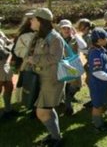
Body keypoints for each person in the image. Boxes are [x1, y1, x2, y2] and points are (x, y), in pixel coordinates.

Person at [24, 8, 64, 146]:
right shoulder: (38, 36)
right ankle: (55, 136)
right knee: (48, 110)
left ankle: (56, 138)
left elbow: (55, 57)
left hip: (51, 80)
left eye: (33, 18)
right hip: (40, 78)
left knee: (41, 112)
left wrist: (34, 59)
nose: (31, 21)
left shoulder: (55, 38)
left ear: (40, 21)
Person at [88, 28, 107, 132]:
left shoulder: (101, 49)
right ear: (99, 40)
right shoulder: (95, 53)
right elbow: (97, 72)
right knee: (97, 106)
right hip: (98, 84)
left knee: (101, 103)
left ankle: (101, 120)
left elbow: (106, 63)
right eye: (105, 38)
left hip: (104, 82)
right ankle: (98, 125)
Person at [58, 19, 87, 116]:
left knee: (77, 86)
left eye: (68, 28)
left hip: (74, 65)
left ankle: (67, 101)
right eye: (64, 28)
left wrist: (76, 35)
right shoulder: (57, 39)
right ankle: (68, 106)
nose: (66, 30)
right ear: (60, 29)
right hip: (61, 65)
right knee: (64, 85)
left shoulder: (75, 39)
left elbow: (83, 46)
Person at [0, 30, 16, 119]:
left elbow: (8, 42)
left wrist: (12, 43)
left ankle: (8, 109)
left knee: (9, 86)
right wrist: (12, 48)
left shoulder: (0, 32)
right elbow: (3, 53)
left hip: (6, 64)